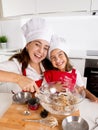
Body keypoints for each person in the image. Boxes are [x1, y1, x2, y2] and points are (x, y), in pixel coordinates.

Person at [0, 17, 53, 93]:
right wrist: (19, 79)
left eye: (45, 48)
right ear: (28, 45)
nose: (41, 51)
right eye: (37, 44)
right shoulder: (17, 65)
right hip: (21, 104)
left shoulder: (47, 65)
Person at [43, 35, 98, 102]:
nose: (57, 60)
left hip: (69, 104)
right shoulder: (49, 74)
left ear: (66, 55)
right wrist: (54, 88)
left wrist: (94, 98)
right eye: (53, 57)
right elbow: (43, 91)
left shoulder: (75, 73)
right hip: (52, 104)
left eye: (60, 54)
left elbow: (81, 89)